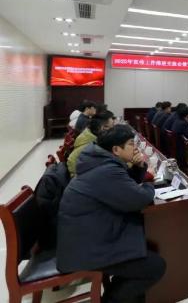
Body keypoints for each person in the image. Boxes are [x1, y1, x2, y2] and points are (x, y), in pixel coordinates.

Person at [57, 125, 165, 303]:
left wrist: (139, 167)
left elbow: (123, 185)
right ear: (116, 149)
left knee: (140, 239)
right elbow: (138, 199)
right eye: (131, 144)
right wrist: (148, 182)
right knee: (155, 266)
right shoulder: (106, 170)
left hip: (88, 232)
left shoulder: (100, 161)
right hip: (86, 247)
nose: (135, 148)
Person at [67, 111, 116, 176]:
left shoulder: (89, 136)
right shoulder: (89, 146)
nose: (114, 129)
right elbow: (72, 163)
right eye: (112, 126)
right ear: (104, 128)